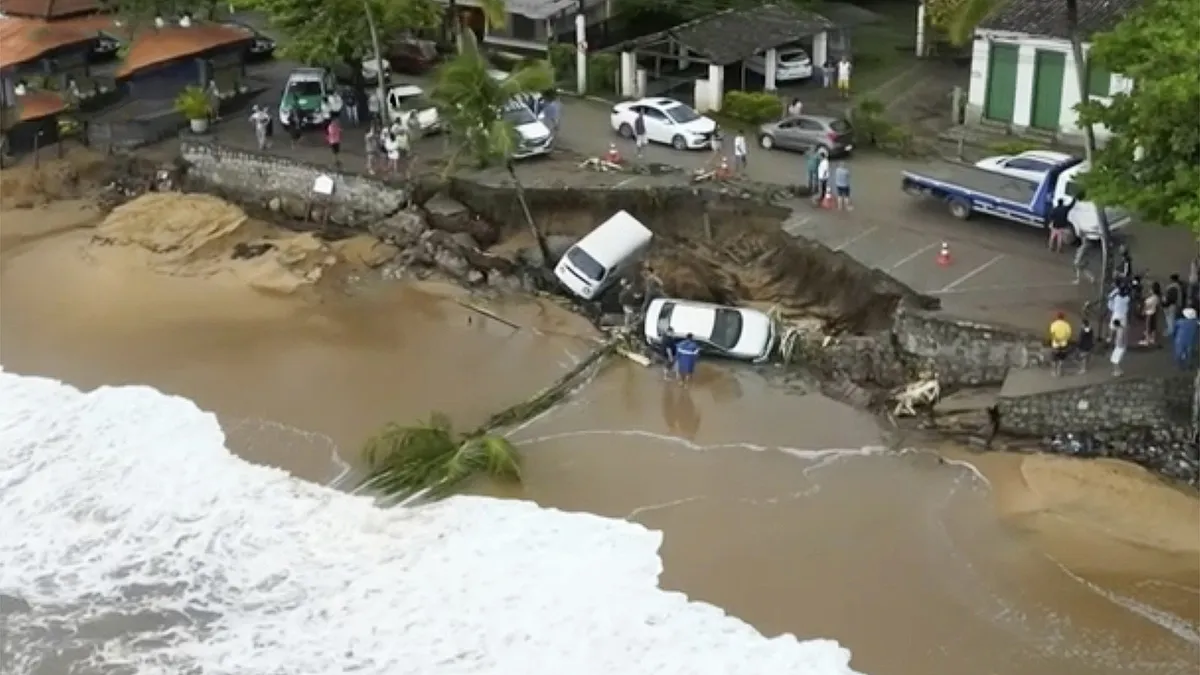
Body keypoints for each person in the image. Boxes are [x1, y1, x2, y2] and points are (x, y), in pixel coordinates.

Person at [1048, 311, 1072, 377]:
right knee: (1061, 358)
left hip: (1055, 344)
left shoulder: (1054, 324)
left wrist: (1056, 339)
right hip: (1063, 344)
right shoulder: (1067, 325)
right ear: (1063, 317)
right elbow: (1068, 335)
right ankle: (1059, 371)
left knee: (1054, 358)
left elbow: (1052, 334)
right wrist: (1063, 339)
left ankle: (1054, 372)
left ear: (1057, 317)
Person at [1141, 280, 1162, 346]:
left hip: (1149, 314)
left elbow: (1146, 307)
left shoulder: (1150, 299)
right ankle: (1153, 339)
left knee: (1148, 327)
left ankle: (1147, 341)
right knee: (1153, 327)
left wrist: (1143, 311)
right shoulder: (1158, 297)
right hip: (1154, 313)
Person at [1164, 273, 1184, 338]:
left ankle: (1171, 331)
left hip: (1171, 305)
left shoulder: (1173, 287)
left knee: (1170, 319)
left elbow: (1171, 297)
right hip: (1175, 304)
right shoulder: (1178, 286)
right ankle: (1171, 330)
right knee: (1172, 318)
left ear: (1172, 279)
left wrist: (1165, 304)